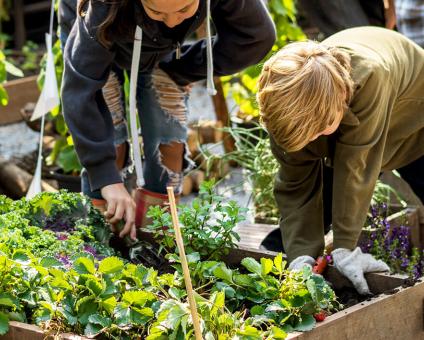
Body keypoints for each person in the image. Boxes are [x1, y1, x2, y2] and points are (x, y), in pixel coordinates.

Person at [61, 0, 276, 240]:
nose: (173, 21)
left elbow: (256, 37)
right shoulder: (102, 5)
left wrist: (182, 67)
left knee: (168, 146)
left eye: (184, 10)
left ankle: (153, 245)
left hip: (158, 49)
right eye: (157, 11)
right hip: (98, 31)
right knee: (112, 143)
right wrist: (106, 178)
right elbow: (79, 91)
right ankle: (98, 249)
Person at [257, 26, 424, 294]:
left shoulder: (371, 76)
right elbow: (296, 183)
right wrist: (301, 256)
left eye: (318, 132)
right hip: (349, 123)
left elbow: (356, 168)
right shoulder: (286, 104)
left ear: (340, 100)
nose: (312, 140)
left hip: (414, 118)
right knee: (310, 221)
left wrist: (345, 247)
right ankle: (279, 260)